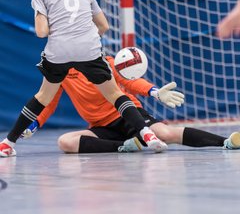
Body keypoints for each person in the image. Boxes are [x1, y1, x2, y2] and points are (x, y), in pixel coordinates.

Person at [0, 0, 170, 157]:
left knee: (42, 97)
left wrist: (61, 30)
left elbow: (41, 32)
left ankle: (8, 143)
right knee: (115, 94)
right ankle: (147, 134)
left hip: (59, 51)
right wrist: (83, 37)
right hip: (88, 48)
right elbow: (104, 26)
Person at [21, 55, 240, 153]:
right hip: (101, 128)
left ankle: (226, 142)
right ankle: (125, 147)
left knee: (165, 133)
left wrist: (153, 91)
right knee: (66, 142)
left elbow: (130, 81)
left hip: (128, 116)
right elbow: (47, 101)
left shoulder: (104, 62)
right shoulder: (59, 72)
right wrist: (34, 124)